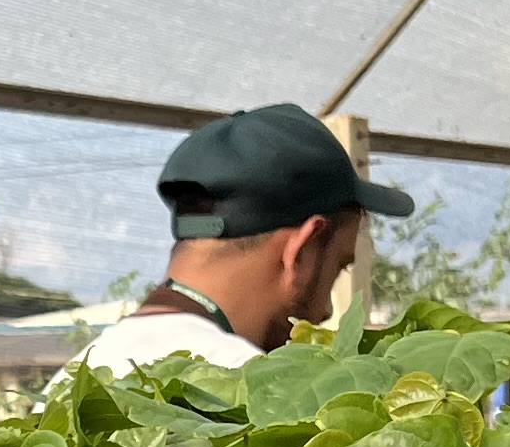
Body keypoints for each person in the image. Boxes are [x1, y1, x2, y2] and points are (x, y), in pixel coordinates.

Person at [74, 101, 412, 377]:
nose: (324, 313)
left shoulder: (74, 381)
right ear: (302, 251)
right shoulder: (246, 391)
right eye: (338, 267)